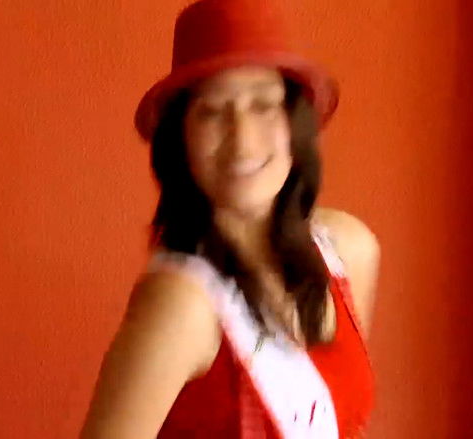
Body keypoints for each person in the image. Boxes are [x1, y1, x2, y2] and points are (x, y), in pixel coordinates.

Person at [80, 0, 380, 438]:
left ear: (295, 122)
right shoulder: (181, 305)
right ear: (181, 136)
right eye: (212, 111)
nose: (242, 140)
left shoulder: (349, 251)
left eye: (263, 105)